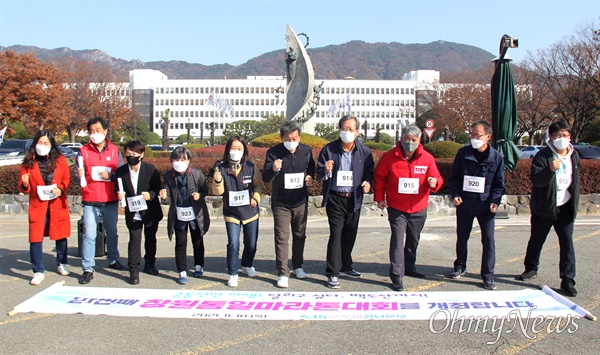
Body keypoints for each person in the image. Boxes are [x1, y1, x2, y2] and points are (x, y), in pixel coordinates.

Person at [373, 125, 443, 291]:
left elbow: (437, 178)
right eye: (407, 139)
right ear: (401, 139)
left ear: (419, 141)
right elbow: (380, 177)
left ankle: (409, 266)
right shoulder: (389, 157)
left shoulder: (427, 158)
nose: (410, 143)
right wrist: (379, 198)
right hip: (397, 206)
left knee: (413, 239)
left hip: (419, 207)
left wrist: (435, 183)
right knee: (397, 240)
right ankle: (397, 275)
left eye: (413, 140)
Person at [517, 121, 580, 297]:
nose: (561, 139)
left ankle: (568, 279)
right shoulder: (543, 156)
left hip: (565, 206)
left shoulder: (574, 156)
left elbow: (576, 181)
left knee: (567, 243)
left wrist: (574, 203)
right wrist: (550, 169)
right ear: (550, 137)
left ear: (570, 137)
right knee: (537, 239)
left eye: (565, 135)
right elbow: (537, 181)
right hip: (545, 206)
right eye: (557, 135)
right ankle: (531, 267)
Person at [316, 114, 374, 289]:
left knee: (350, 233)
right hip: (335, 198)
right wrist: (325, 169)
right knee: (336, 234)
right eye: (344, 129)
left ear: (357, 132)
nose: (347, 132)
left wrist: (368, 183)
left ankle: (346, 266)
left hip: (354, 198)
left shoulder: (364, 151)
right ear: (339, 130)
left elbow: (369, 171)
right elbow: (319, 173)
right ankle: (332, 272)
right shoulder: (329, 149)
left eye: (351, 129)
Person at [447, 120, 505, 290]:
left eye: (477, 135)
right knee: (462, 237)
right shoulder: (463, 153)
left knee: (488, 240)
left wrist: (495, 201)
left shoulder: (496, 157)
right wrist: (456, 194)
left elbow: (499, 184)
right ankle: (459, 266)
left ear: (488, 136)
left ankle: (488, 275)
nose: (474, 138)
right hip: (465, 203)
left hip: (486, 205)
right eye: (471, 135)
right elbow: (454, 177)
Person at [262, 121, 316, 288]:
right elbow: (265, 177)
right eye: (287, 138)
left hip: (300, 201)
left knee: (300, 235)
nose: (291, 141)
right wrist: (274, 169)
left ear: (299, 136)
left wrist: (310, 178)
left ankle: (298, 266)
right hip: (281, 203)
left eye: (294, 138)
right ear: (281, 137)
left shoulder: (306, 151)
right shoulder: (273, 152)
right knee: (282, 238)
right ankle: (283, 272)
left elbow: (312, 168)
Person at [75, 117, 126, 284]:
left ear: (105, 131)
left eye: (97, 130)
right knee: (89, 234)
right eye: (91, 131)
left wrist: (111, 176)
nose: (94, 134)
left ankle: (113, 259)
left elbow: (121, 173)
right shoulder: (83, 151)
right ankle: (88, 268)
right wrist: (78, 176)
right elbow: (77, 175)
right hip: (90, 199)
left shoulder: (114, 150)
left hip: (109, 199)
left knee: (112, 232)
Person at [18, 130, 71, 286]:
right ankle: (38, 271)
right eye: (40, 143)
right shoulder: (28, 162)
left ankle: (61, 263)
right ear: (35, 144)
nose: (42, 146)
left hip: (56, 202)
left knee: (61, 235)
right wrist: (25, 184)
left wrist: (60, 189)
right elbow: (23, 187)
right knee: (35, 238)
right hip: (38, 204)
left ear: (52, 145)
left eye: (46, 143)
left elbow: (66, 179)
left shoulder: (60, 160)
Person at [212, 136, 262, 287]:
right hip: (231, 212)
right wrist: (218, 180)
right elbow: (217, 192)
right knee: (233, 243)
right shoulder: (220, 168)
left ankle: (247, 265)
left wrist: (256, 198)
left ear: (244, 151)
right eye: (233, 148)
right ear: (227, 150)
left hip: (250, 211)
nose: (236, 151)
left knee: (251, 243)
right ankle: (233, 273)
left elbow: (258, 186)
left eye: (239, 149)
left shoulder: (251, 167)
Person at [159, 147, 210, 285]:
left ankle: (199, 266)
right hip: (179, 214)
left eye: (183, 159)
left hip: (195, 213)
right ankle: (182, 271)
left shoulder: (197, 174)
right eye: (176, 159)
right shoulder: (169, 176)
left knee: (197, 241)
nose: (179, 162)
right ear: (171, 161)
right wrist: (164, 198)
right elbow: (168, 198)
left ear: (189, 161)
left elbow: (205, 190)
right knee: (180, 243)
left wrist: (200, 196)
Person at [115, 141, 163, 285]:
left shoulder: (150, 169)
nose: (130, 157)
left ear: (141, 155)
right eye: (128, 154)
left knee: (150, 238)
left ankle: (149, 263)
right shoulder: (121, 171)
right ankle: (133, 270)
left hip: (149, 210)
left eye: (134, 154)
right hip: (133, 211)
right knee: (134, 240)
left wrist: (151, 195)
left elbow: (157, 188)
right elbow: (116, 188)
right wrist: (118, 194)